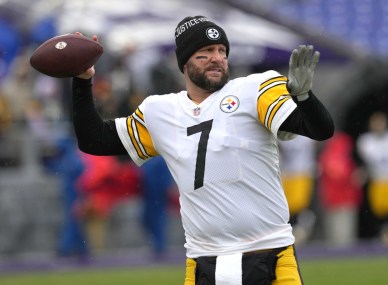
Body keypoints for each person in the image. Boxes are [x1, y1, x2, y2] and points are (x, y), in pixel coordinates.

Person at [71, 16, 334, 285]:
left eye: (221, 51)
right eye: (204, 52)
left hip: (271, 254)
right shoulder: (160, 111)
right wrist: (82, 81)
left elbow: (319, 130)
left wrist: (304, 98)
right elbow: (94, 140)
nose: (216, 57)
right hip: (203, 261)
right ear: (184, 62)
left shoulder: (254, 89)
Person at [356, 111, 388, 246]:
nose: (378, 125)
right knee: (379, 210)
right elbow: (366, 163)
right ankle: (385, 234)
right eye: (375, 123)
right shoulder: (366, 142)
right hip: (379, 180)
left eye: (380, 122)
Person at [318, 131, 362, 247]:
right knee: (343, 238)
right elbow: (347, 178)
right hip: (343, 202)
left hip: (332, 202)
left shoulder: (325, 157)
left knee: (335, 237)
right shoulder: (338, 160)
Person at [278, 135, 317, 245]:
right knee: (289, 208)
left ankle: (301, 226)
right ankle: (298, 228)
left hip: (301, 174)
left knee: (299, 206)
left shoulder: (304, 136)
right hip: (288, 175)